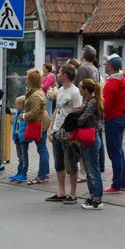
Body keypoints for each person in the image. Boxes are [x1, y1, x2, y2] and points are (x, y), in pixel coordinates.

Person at [46, 63, 82, 203]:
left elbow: (77, 113)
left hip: (68, 134)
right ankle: (61, 191)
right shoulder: (60, 90)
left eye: (60, 72)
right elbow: (56, 110)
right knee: (58, 163)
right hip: (57, 132)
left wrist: (72, 132)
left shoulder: (75, 92)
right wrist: (51, 128)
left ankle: (72, 193)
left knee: (71, 163)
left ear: (65, 75)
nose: (58, 74)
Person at [102, 53, 125, 194]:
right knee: (119, 151)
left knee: (114, 153)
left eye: (106, 64)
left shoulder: (110, 84)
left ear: (111, 66)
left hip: (112, 119)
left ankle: (116, 185)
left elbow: (106, 106)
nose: (105, 65)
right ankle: (122, 182)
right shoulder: (124, 78)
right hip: (122, 117)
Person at [78, 78, 105, 210]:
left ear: (86, 90)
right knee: (89, 171)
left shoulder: (93, 102)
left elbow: (83, 118)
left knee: (93, 170)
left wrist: (73, 119)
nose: (79, 89)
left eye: (81, 87)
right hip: (87, 138)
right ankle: (92, 195)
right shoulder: (88, 101)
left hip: (91, 138)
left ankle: (98, 199)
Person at [23, 68, 50, 185]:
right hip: (42, 122)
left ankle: (41, 175)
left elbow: (34, 112)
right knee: (43, 148)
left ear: (31, 80)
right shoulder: (37, 92)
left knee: (42, 149)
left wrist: (23, 116)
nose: (25, 78)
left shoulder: (35, 95)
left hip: (39, 124)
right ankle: (45, 171)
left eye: (27, 76)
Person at [10, 96, 30, 182]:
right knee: (19, 156)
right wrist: (14, 136)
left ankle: (23, 173)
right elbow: (15, 126)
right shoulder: (18, 112)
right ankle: (19, 172)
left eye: (16, 104)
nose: (15, 106)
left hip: (23, 138)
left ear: (22, 105)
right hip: (18, 137)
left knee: (24, 156)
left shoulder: (26, 114)